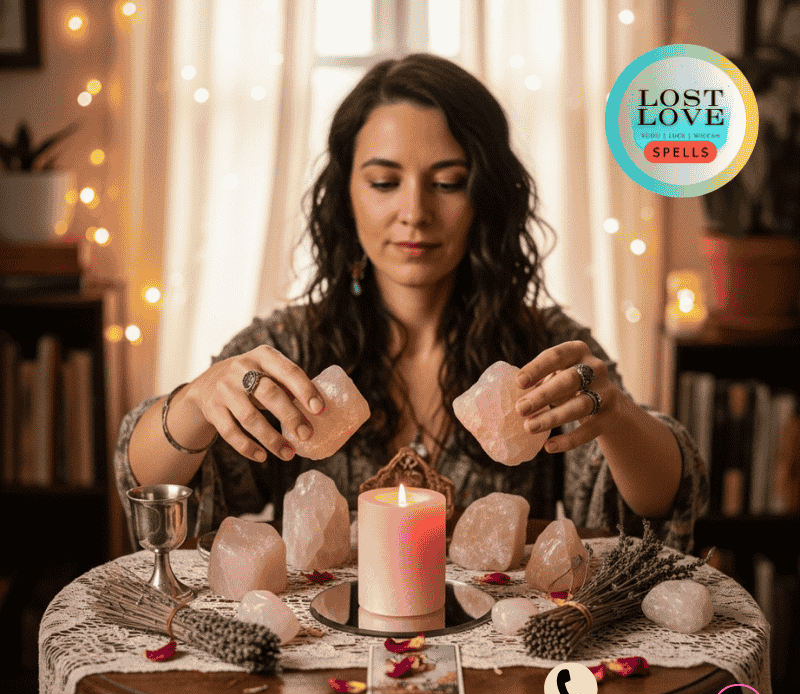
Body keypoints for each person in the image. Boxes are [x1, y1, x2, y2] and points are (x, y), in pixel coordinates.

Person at [116, 53, 709, 554]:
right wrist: (193, 403)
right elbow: (149, 485)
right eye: (383, 181)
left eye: (448, 182)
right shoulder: (292, 348)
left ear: (486, 196)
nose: (414, 213)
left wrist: (622, 417)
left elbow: (663, 505)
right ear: (345, 193)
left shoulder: (542, 348)